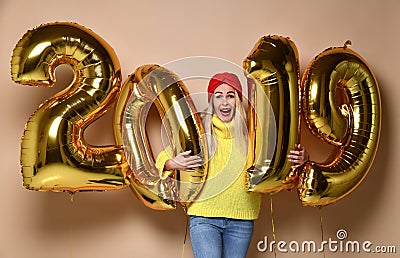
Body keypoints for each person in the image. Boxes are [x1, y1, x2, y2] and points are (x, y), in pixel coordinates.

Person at [156, 72, 308, 258]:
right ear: (211, 101)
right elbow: (162, 159)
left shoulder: (253, 134)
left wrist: (304, 158)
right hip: (204, 217)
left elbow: (281, 161)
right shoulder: (200, 131)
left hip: (242, 220)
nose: (224, 102)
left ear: (238, 100)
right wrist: (172, 163)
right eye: (218, 96)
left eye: (230, 95)